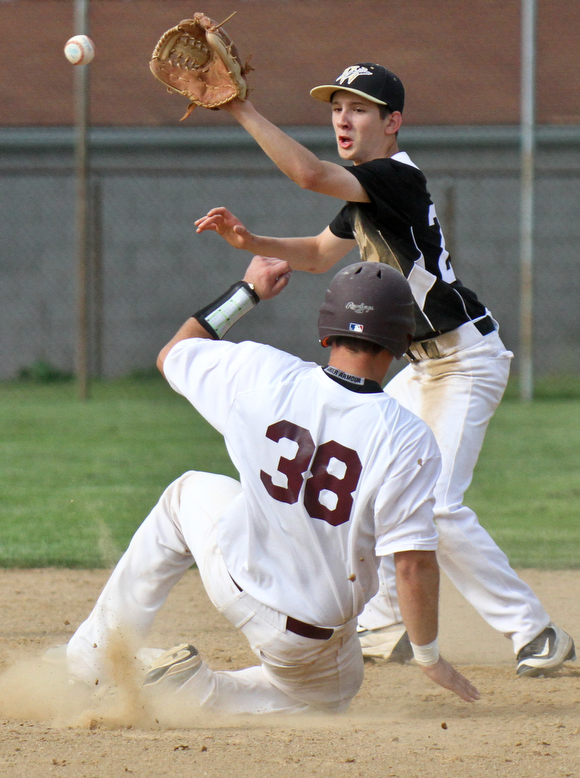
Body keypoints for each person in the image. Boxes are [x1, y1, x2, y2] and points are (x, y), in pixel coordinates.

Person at [194, 63, 576, 677]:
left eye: (360, 108)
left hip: (463, 359)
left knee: (438, 509)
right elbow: (321, 254)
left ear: (392, 122)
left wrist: (240, 107)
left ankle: (535, 633)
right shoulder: (366, 190)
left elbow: (308, 173)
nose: (343, 118)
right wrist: (250, 242)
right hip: (422, 365)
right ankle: (383, 624)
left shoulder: (395, 177)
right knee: (373, 481)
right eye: (337, 107)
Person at [62, 255, 480, 714]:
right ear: (403, 343)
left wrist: (247, 292)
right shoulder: (406, 437)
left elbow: (173, 354)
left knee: (186, 494)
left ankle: (93, 655)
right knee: (325, 698)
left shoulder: (261, 374)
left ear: (325, 330)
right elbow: (412, 566)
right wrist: (429, 657)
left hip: (233, 575)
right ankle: (192, 693)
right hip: (304, 635)